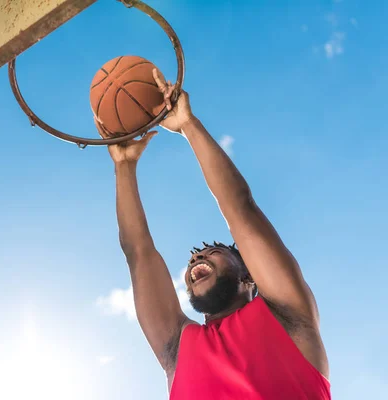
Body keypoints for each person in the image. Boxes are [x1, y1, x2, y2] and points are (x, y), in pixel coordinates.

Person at [94, 69, 331, 400]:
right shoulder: (177, 347)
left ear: (249, 275)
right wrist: (124, 166)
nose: (196, 257)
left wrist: (188, 125)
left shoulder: (289, 316)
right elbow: (138, 252)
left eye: (212, 252)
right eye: (195, 256)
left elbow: (240, 209)